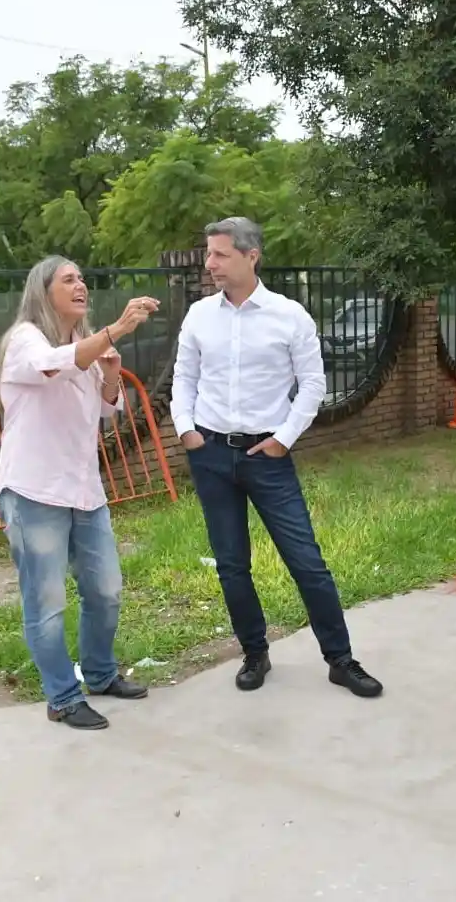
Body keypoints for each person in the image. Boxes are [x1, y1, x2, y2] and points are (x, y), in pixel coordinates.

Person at [170, 216, 383, 698]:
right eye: (209, 254)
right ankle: (254, 651)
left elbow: (313, 384)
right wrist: (186, 429)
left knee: (306, 561)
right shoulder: (200, 315)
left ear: (251, 255)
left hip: (267, 455)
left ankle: (340, 659)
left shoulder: (289, 316)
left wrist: (285, 437)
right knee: (231, 564)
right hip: (210, 453)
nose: (210, 264)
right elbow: (184, 378)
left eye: (220, 254)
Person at [0, 255, 161, 731]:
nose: (80, 284)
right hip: (33, 491)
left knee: (105, 590)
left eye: (82, 278)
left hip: (84, 489)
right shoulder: (28, 339)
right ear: (44, 292)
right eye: (68, 279)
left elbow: (110, 410)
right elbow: (48, 369)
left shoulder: (79, 345)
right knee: (47, 603)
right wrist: (116, 329)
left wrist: (110, 373)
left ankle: (101, 676)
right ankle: (62, 698)